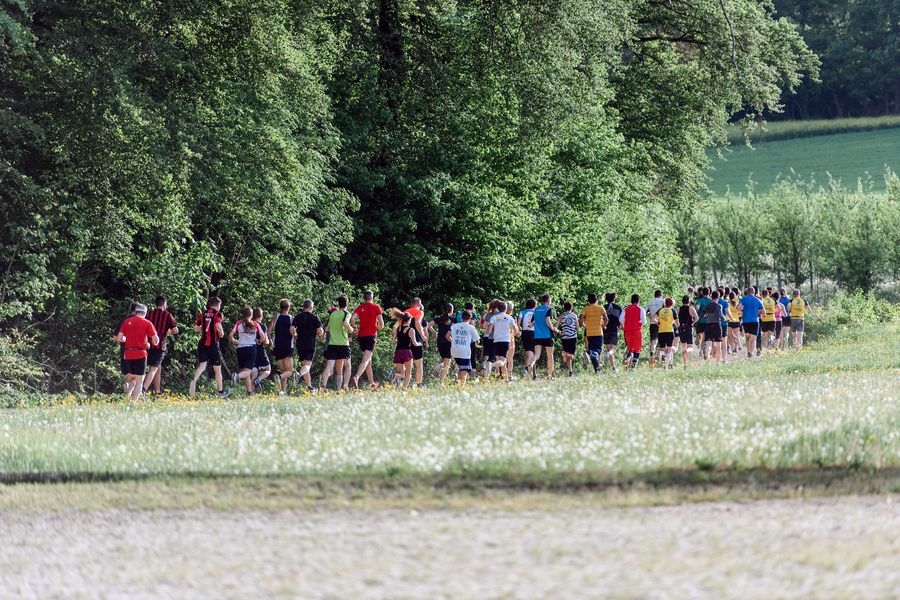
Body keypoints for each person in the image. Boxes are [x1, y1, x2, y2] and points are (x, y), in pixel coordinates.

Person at [115, 304, 159, 402]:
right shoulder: (147, 323)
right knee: (140, 381)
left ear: (136, 311)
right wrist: (150, 343)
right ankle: (132, 403)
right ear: (145, 312)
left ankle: (127, 392)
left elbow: (119, 338)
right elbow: (155, 340)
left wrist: (129, 339)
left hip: (128, 354)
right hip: (140, 354)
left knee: (132, 378)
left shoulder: (126, 322)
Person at [189, 296, 229, 398]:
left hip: (202, 343)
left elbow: (196, 328)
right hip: (212, 344)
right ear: (217, 305)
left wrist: (204, 328)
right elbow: (217, 325)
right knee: (217, 368)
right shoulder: (218, 314)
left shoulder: (203, 313)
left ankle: (194, 381)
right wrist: (222, 333)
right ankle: (220, 392)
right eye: (220, 305)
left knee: (202, 365)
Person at [143, 296, 178, 395]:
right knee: (153, 368)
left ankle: (157, 391)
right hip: (159, 345)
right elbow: (175, 330)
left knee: (157, 367)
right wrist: (167, 332)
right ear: (164, 304)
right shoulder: (167, 315)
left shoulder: (149, 313)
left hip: (148, 344)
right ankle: (143, 389)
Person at [230, 307, 268, 396]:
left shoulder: (238, 324)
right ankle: (237, 376)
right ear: (251, 315)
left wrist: (233, 340)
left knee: (245, 371)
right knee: (248, 371)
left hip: (240, 349)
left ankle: (250, 392)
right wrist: (259, 341)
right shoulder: (255, 324)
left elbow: (231, 334)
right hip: (251, 349)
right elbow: (262, 336)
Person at [351, 290, 384, 389]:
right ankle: (356, 377)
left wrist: (355, 327)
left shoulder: (360, 307)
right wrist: (376, 326)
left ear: (364, 298)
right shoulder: (376, 307)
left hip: (361, 336)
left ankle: (372, 383)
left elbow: (352, 318)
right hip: (371, 336)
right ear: (372, 297)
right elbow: (381, 325)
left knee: (368, 361)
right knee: (365, 360)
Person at [321, 296, 354, 391]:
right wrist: (351, 330)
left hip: (332, 344)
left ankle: (324, 385)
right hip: (343, 344)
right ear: (347, 304)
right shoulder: (347, 313)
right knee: (347, 366)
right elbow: (345, 324)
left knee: (329, 366)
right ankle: (345, 386)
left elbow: (327, 329)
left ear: (338, 304)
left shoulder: (332, 314)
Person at [291, 299, 325, 391]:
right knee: (307, 366)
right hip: (310, 343)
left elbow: (292, 328)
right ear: (311, 307)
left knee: (305, 366)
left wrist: (294, 335)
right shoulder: (314, 317)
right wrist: (319, 334)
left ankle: (309, 387)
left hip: (300, 344)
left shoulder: (297, 317)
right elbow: (321, 331)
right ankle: (298, 375)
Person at [486, 301, 519, 380]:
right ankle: (490, 365)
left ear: (498, 308)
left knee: (500, 360)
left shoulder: (494, 317)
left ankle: (506, 379)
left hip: (496, 341)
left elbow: (489, 331)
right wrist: (511, 335)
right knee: (503, 361)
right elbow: (516, 330)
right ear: (506, 308)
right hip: (505, 341)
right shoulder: (509, 318)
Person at [529, 294, 559, 379]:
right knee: (550, 356)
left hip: (537, 335)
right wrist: (553, 328)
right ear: (548, 300)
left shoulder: (536, 309)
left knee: (536, 355)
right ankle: (549, 376)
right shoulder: (548, 309)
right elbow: (547, 320)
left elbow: (531, 323)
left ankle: (530, 365)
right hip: (547, 335)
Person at [269, 299, 295, 394]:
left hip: (278, 346)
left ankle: (282, 391)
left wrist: (270, 340)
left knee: (284, 371)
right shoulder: (291, 318)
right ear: (288, 307)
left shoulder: (276, 317)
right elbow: (293, 333)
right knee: (289, 371)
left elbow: (268, 330)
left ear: (280, 307)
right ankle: (278, 377)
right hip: (288, 346)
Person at [390, 310, 420, 389]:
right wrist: (419, 344)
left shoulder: (398, 328)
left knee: (401, 374)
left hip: (398, 352)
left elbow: (394, 340)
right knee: (408, 373)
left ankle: (393, 376)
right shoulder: (411, 330)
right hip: (406, 352)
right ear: (409, 320)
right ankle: (404, 389)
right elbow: (414, 343)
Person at [580, 293, 608, 374]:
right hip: (599, 332)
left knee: (592, 350)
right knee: (598, 351)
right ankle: (596, 366)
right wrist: (604, 325)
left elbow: (581, 319)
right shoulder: (601, 308)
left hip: (589, 333)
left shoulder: (585, 309)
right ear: (596, 300)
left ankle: (597, 369)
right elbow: (606, 319)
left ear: (588, 301)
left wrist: (584, 326)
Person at [450, 310, 481, 384]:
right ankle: (461, 386)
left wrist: (453, 341)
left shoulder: (454, 326)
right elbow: (477, 340)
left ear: (462, 318)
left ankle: (457, 382)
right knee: (464, 370)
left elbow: (448, 336)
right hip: (464, 352)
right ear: (470, 319)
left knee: (461, 367)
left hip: (454, 350)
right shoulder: (471, 327)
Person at [405, 297, 429, 388]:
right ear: (419, 304)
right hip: (417, 340)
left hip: (405, 340)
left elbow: (398, 326)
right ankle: (417, 384)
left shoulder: (405, 312)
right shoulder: (420, 312)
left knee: (406, 363)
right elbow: (417, 323)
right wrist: (423, 336)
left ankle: (402, 382)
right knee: (418, 363)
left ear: (411, 304)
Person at [429, 303, 455, 385]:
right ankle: (441, 382)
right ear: (451, 310)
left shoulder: (439, 318)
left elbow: (429, 325)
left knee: (444, 361)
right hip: (448, 341)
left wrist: (434, 333)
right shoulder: (453, 319)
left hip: (440, 341)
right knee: (447, 363)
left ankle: (437, 369)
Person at [652, 297, 678, 369]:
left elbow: (653, 318)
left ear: (665, 303)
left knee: (662, 349)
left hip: (661, 331)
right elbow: (677, 323)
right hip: (670, 331)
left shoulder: (660, 310)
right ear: (672, 304)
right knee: (669, 349)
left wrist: (658, 322)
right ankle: (666, 366)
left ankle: (663, 364)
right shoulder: (673, 311)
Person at [621, 294, 647, 369]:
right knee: (637, 349)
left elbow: (621, 319)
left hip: (627, 332)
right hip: (637, 331)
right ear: (639, 301)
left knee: (630, 349)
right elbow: (644, 322)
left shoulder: (625, 309)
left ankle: (627, 360)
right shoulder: (641, 309)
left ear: (631, 300)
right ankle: (633, 366)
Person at [738, 287, 764, 358]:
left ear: (747, 292)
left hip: (746, 320)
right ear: (754, 292)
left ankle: (748, 352)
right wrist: (757, 311)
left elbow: (738, 308)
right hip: (755, 320)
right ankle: (751, 353)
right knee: (753, 339)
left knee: (748, 337)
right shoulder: (758, 300)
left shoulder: (743, 299)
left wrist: (744, 310)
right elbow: (763, 312)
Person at [252, 308, 272, 392]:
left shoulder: (249, 325)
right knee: (268, 369)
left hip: (251, 350)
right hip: (260, 351)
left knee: (254, 372)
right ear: (261, 315)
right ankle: (259, 380)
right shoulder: (262, 326)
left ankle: (250, 393)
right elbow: (265, 341)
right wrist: (268, 341)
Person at [557, 301, 579, 376]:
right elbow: (577, 327)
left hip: (564, 337)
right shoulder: (574, 315)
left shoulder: (562, 316)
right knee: (571, 355)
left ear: (564, 308)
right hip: (573, 337)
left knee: (567, 357)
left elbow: (556, 326)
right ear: (571, 307)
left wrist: (559, 331)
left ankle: (570, 372)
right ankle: (565, 354)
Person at [603, 292, 623, 372]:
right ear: (614, 299)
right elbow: (621, 319)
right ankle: (609, 357)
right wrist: (621, 327)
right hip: (614, 329)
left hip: (606, 329)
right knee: (613, 349)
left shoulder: (604, 307)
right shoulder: (618, 308)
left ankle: (613, 367)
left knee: (609, 349)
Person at [677, 295, 699, 368]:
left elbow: (675, 319)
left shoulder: (678, 309)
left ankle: (685, 364)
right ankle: (688, 350)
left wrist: (678, 325)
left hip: (681, 329)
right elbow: (697, 318)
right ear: (689, 301)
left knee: (683, 346)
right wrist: (692, 323)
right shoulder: (691, 308)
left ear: (682, 301)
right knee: (690, 347)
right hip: (688, 329)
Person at [703, 290, 725, 363]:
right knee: (718, 344)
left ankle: (707, 358)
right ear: (718, 297)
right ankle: (717, 362)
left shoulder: (707, 306)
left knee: (708, 344)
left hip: (708, 325)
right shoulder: (719, 306)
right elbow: (720, 315)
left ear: (711, 296)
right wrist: (723, 318)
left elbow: (703, 315)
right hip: (716, 326)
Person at [480, 300, 500, 377]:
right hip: (494, 337)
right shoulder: (499, 315)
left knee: (486, 355)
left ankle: (484, 370)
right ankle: (488, 375)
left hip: (486, 337)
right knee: (493, 357)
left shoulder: (486, 314)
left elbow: (482, 326)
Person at [644, 290, 665, 365]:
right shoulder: (663, 301)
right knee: (663, 342)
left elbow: (644, 312)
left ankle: (651, 357)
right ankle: (663, 360)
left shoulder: (650, 302)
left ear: (654, 295)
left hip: (653, 324)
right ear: (661, 295)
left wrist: (651, 317)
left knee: (654, 342)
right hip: (662, 323)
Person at [518, 298, 537, 376]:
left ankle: (532, 372)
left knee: (528, 352)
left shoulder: (522, 312)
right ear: (535, 305)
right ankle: (528, 369)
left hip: (525, 332)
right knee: (531, 352)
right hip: (534, 333)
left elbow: (518, 324)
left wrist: (517, 331)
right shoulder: (536, 312)